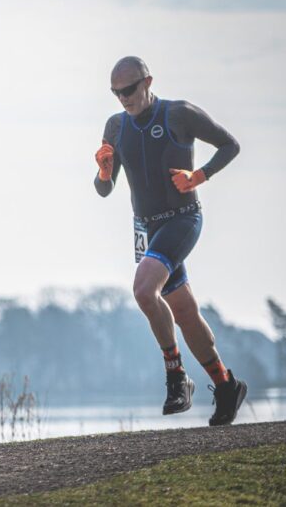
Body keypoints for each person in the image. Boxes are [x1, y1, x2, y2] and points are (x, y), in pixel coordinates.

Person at [94, 56, 247, 426]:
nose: (123, 99)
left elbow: (230, 145)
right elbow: (103, 190)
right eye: (116, 93)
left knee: (145, 291)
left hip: (182, 219)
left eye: (128, 90)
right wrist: (103, 170)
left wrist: (199, 176)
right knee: (184, 312)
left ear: (148, 81)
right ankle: (226, 385)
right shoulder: (115, 126)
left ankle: (176, 376)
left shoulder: (178, 114)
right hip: (145, 228)